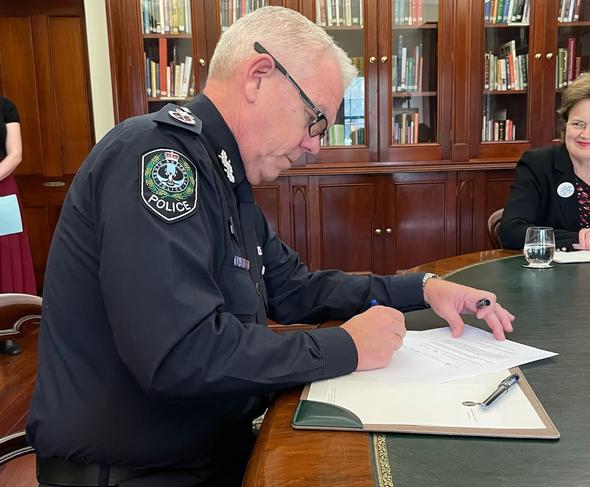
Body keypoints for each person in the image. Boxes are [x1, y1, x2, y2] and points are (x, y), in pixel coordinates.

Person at [27, 7, 514, 487]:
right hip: (141, 470)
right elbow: (181, 353)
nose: (314, 145)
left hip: (207, 448)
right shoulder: (159, 160)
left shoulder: (225, 178)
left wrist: (422, 289)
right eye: (315, 119)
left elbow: (296, 288)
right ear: (259, 76)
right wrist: (345, 346)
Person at [500, 70, 590, 251]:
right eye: (578, 124)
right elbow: (511, 231)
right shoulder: (538, 164)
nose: (586, 134)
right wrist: (586, 239)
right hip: (557, 276)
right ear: (566, 124)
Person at [0, 95, 37, 356]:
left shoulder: (6, 106)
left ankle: (4, 331)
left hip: (2, 189)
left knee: (6, 256)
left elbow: (16, 154)